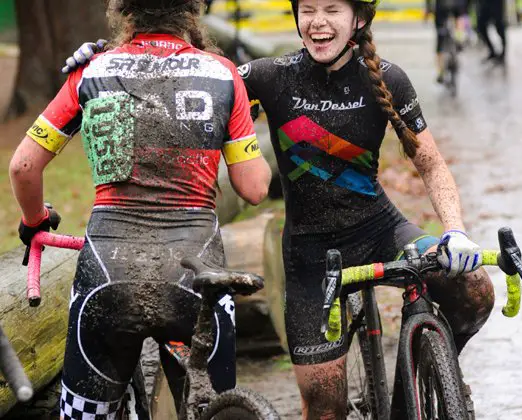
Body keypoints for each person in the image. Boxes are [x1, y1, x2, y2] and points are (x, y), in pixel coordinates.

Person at [64, 0, 496, 416]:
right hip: (310, 258)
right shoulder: (270, 76)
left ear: (359, 19)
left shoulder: (388, 78)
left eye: (331, 10)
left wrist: (455, 229)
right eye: (307, 10)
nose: (317, 22)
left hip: (381, 231)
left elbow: (430, 163)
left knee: (474, 288)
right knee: (326, 409)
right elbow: (193, 75)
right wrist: (111, 57)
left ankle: (415, 388)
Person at [9, 0, 272, 418]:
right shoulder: (221, 74)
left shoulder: (92, 70)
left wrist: (34, 220)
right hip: (194, 275)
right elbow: (254, 188)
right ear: (193, 9)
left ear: (123, 10)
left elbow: (23, 166)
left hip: (106, 272)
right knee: (213, 410)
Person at [425, 0, 469, 83]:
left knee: (440, 39)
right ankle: (460, 39)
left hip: (441, 6)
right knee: (459, 18)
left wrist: (428, 9)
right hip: (458, 4)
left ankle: (441, 72)